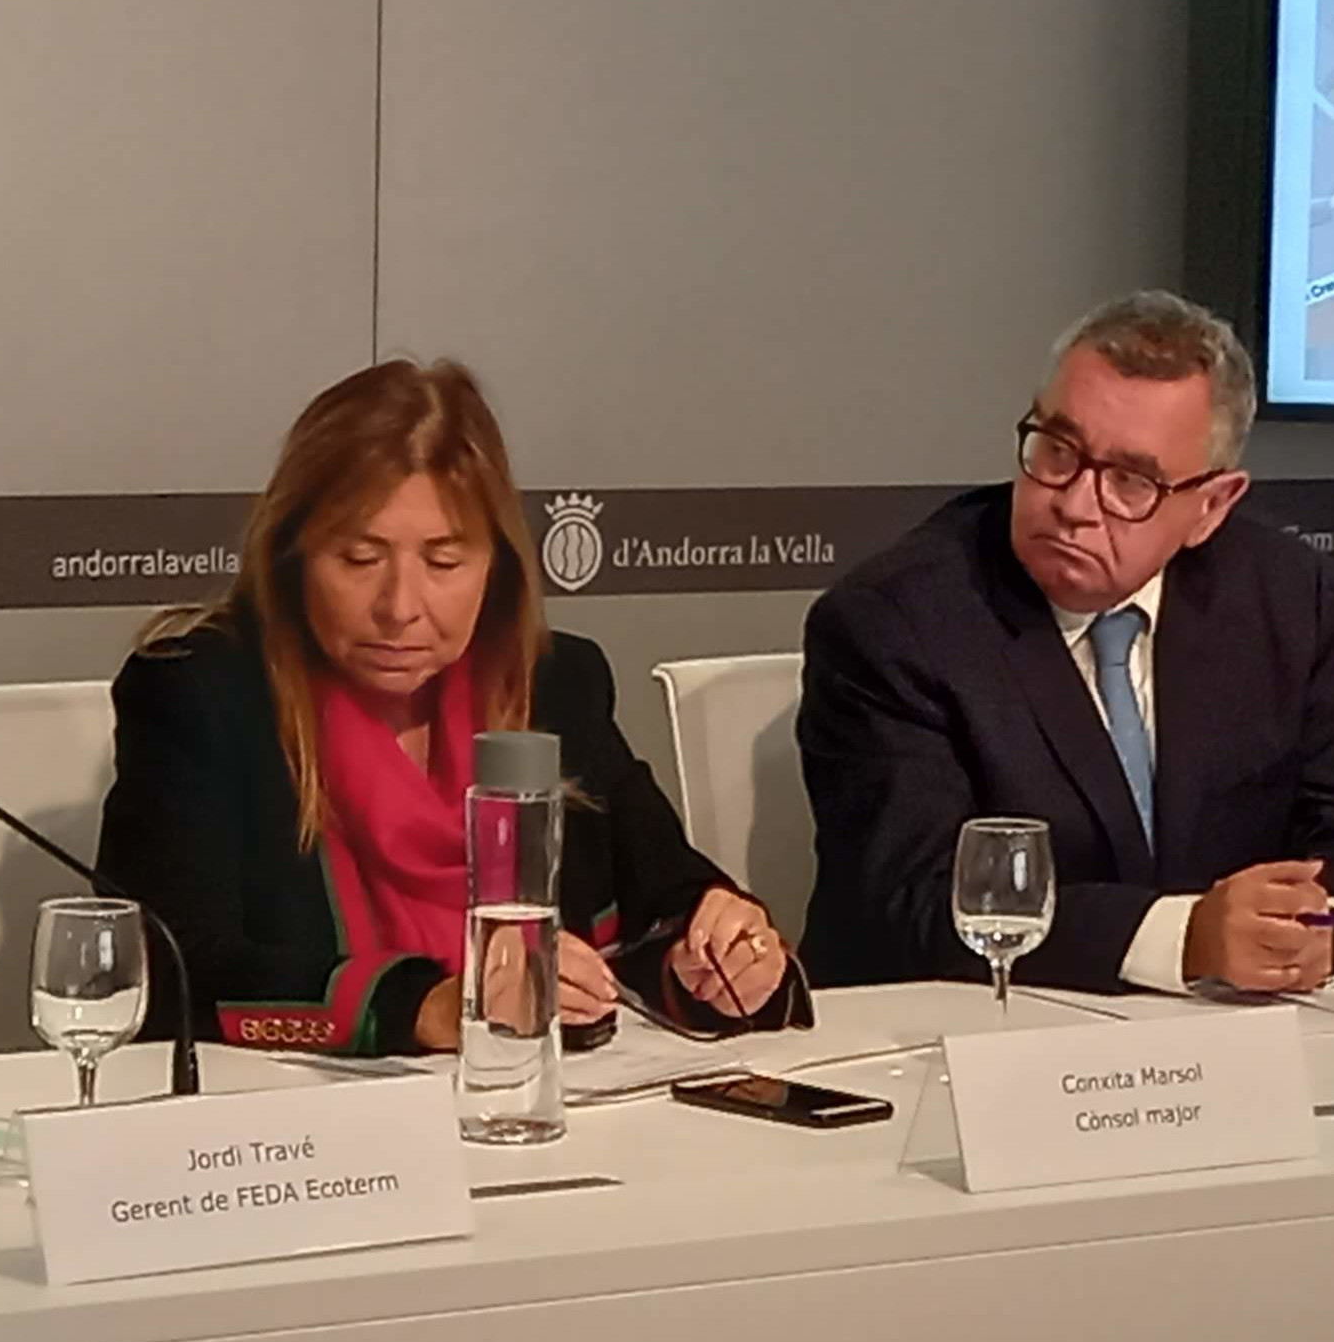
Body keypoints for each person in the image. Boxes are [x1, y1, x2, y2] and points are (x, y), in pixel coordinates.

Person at [98, 357, 806, 1058]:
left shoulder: (554, 683)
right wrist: (425, 1007)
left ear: (496, 565)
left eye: (443, 562)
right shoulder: (202, 693)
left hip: (550, 1104)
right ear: (292, 556)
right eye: (359, 558)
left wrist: (719, 957)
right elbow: (170, 968)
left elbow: (667, 899)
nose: (400, 607)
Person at [799, 291, 1334, 996]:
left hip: (1224, 1033)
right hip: (968, 1031)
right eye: (1057, 450)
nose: (1073, 504)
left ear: (1211, 507)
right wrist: (1186, 939)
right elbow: (910, 904)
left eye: (1129, 481)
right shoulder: (896, 621)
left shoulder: (1286, 598)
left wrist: (1330, 940)